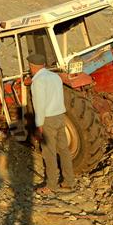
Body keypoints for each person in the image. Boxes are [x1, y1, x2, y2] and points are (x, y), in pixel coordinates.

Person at [27, 53, 76, 195]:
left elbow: (39, 105)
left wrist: (39, 125)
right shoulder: (55, 77)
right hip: (60, 116)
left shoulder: (38, 82)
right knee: (64, 150)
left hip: (47, 119)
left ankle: (51, 185)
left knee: (49, 153)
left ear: (31, 66)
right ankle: (69, 181)